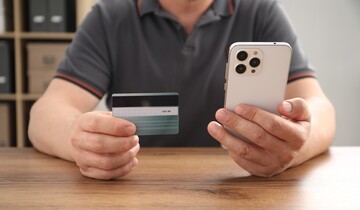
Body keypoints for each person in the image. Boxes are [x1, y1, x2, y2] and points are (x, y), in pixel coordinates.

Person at [28, 0, 336, 180]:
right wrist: (78, 139)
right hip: (135, 186)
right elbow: (44, 115)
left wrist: (297, 146)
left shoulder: (260, 10)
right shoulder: (110, 16)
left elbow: (319, 107)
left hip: (240, 186)